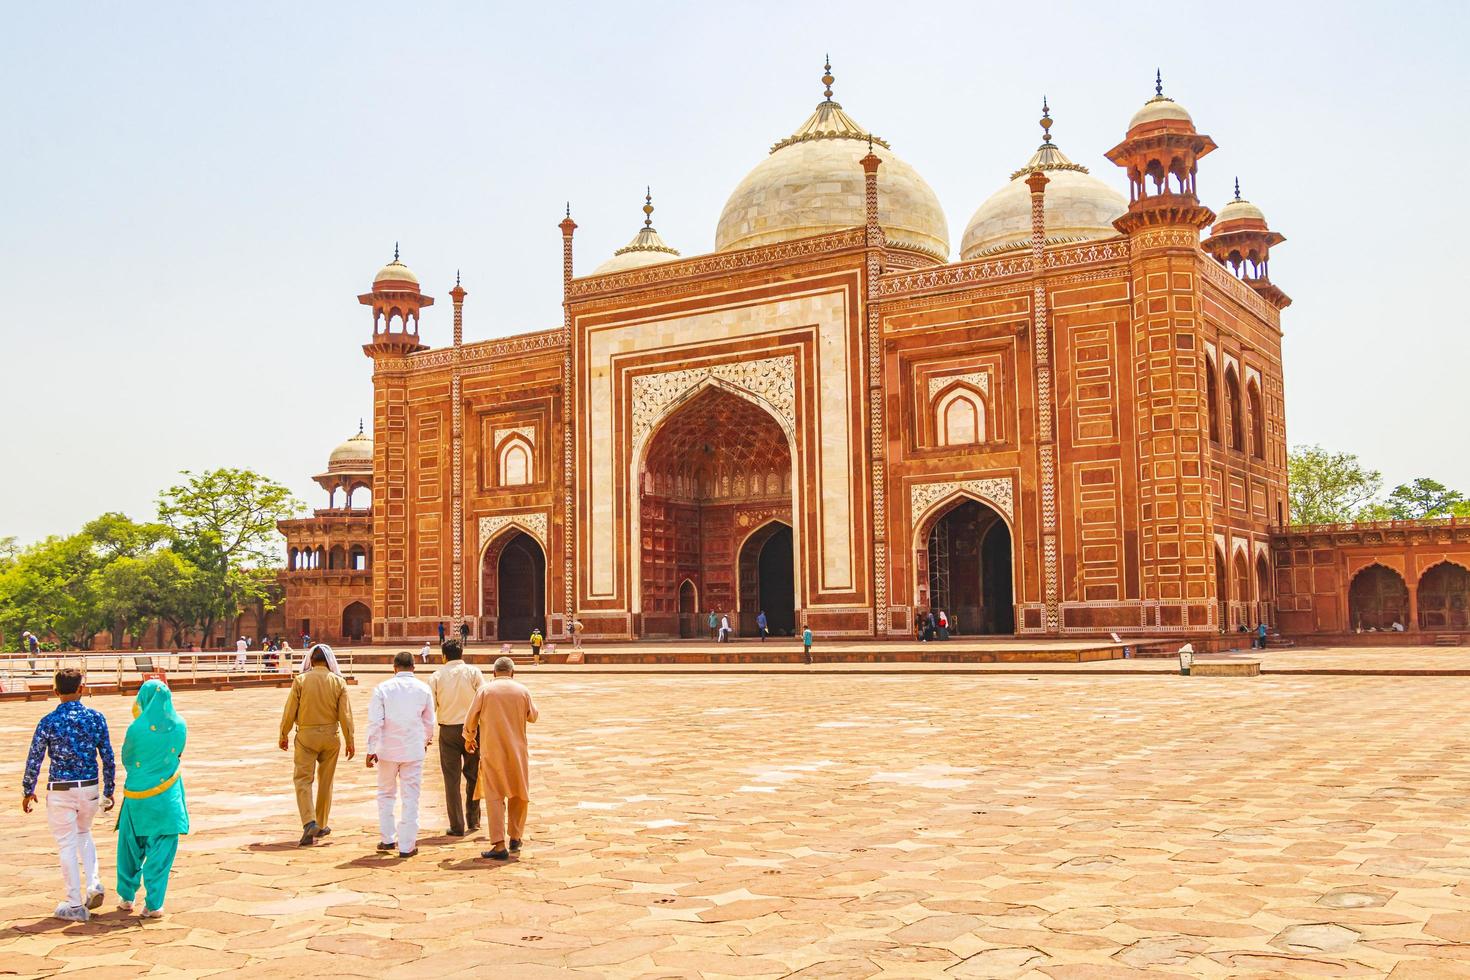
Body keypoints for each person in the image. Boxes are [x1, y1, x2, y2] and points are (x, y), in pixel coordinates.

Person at [22, 668, 115, 922]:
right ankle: (94, 882)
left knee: (66, 843)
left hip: (61, 789)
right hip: (89, 787)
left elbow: (35, 758)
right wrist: (109, 790)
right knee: (84, 833)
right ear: (80, 689)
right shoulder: (96, 718)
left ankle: (74, 903)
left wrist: (28, 790)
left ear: (56, 691)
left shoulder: (48, 722)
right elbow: (107, 756)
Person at [115, 680, 188, 919]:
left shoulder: (136, 728)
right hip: (167, 797)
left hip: (137, 796)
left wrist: (142, 772)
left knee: (129, 847)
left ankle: (127, 897)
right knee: (162, 851)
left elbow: (127, 758)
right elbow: (178, 753)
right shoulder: (180, 725)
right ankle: (154, 904)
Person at [464, 656, 538, 861]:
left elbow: (470, 718)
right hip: (517, 752)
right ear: (513, 673)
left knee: (495, 797)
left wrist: (469, 738)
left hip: (492, 751)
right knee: (519, 794)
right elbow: (533, 716)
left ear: (494, 673)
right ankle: (516, 837)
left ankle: (498, 844)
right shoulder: (522, 690)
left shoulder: (485, 690)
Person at [279, 647, 355, 846]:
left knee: (303, 779)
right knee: (326, 781)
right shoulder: (339, 682)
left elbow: (289, 711)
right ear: (329, 662)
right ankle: (321, 824)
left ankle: (309, 821)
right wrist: (350, 740)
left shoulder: (301, 680)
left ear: (311, 661)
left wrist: (283, 733)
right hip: (331, 736)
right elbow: (345, 715)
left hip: (306, 736)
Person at [366, 651, 435, 858]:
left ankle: (388, 839)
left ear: (394, 667)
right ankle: (407, 846)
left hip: (387, 750)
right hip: (413, 750)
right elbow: (429, 722)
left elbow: (375, 722)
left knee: (385, 794)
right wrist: (424, 742)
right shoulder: (424, 689)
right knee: (410, 796)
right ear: (414, 667)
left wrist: (371, 749)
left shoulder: (382, 689)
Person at [429, 638, 484, 837]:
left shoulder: (436, 676)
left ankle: (457, 825)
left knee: (451, 779)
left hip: (448, 731)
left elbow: (431, 707)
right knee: (473, 775)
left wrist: (427, 734)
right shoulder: (473, 672)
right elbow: (483, 699)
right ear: (462, 654)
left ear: (444, 656)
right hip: (472, 730)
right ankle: (474, 820)